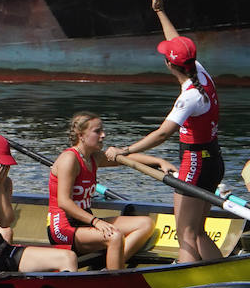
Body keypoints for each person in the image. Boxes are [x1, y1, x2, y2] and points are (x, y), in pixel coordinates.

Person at [106, 0, 225, 264]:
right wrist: (160, 11)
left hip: (195, 163)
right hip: (214, 160)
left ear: (170, 65)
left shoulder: (188, 97)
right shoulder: (200, 72)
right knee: (198, 232)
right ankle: (222, 275)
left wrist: (125, 150)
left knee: (186, 234)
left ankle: (186, 281)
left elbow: (162, 133)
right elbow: (177, 43)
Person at [51, 112, 170, 270]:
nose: (103, 135)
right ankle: (114, 276)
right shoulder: (69, 159)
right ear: (81, 135)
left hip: (84, 222)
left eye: (102, 130)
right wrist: (96, 222)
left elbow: (126, 160)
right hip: (62, 228)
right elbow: (64, 202)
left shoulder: (94, 157)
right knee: (115, 236)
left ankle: (111, 267)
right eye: (97, 131)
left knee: (145, 224)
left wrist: (159, 161)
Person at [0, 134, 75, 273]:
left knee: (68, 257)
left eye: (7, 162)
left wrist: (0, 186)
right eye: (1, 161)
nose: (5, 166)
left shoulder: (6, 182)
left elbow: (5, 222)